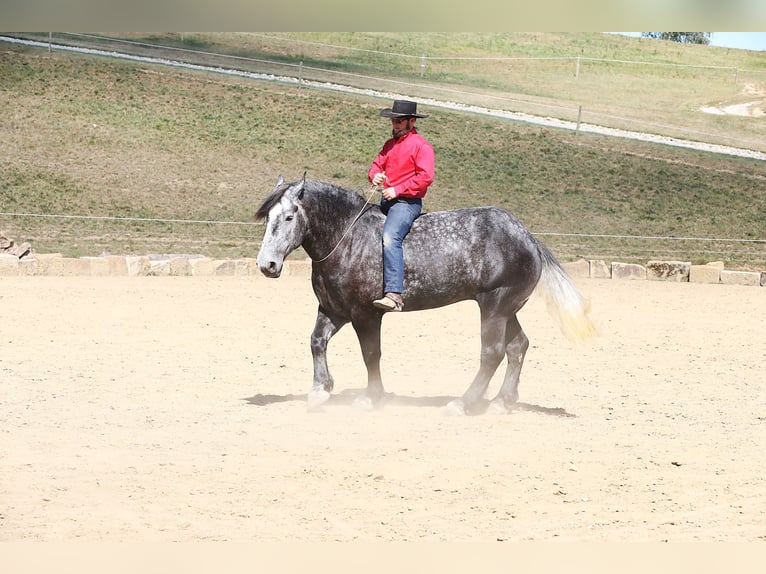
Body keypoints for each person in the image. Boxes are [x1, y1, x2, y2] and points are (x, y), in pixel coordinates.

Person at [368, 99, 435, 312]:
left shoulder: (422, 146)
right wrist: (375, 176)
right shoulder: (389, 145)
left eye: (399, 121)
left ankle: (394, 294)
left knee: (390, 238)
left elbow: (426, 177)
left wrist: (398, 189)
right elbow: (376, 165)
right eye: (393, 121)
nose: (394, 124)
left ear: (411, 121)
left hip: (406, 203)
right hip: (386, 201)